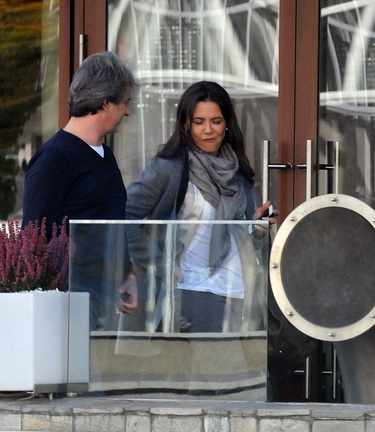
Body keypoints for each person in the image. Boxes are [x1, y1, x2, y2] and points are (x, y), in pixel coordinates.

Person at [125, 81, 275, 333]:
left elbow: (243, 242)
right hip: (191, 290)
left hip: (236, 291)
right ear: (186, 124)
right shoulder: (168, 167)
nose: (208, 130)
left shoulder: (237, 173)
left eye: (216, 121)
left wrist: (258, 229)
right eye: (199, 122)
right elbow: (125, 217)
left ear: (227, 123)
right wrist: (160, 262)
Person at [22, 51, 137, 331]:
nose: (127, 112)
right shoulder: (53, 159)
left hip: (103, 300)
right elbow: (33, 237)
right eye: (125, 102)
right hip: (67, 303)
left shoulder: (105, 155)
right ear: (106, 102)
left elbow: (113, 222)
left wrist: (128, 274)